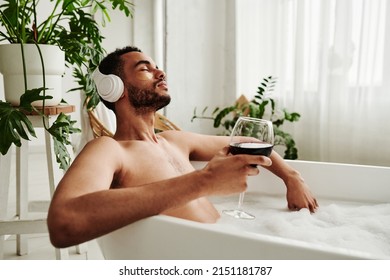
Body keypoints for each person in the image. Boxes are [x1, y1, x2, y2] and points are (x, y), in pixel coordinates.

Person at [47, 46, 318, 248]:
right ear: (115, 88)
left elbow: (254, 145)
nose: (160, 72)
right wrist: (206, 181)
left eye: (156, 67)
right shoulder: (109, 149)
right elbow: (64, 222)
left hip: (229, 243)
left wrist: (293, 178)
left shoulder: (175, 141)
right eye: (144, 68)